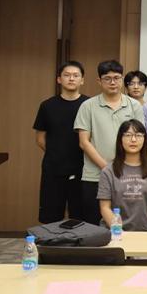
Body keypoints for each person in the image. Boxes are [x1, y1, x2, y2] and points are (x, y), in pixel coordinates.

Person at [74, 60, 144, 225]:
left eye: (117, 78)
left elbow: (140, 139)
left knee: (125, 223)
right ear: (99, 81)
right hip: (94, 176)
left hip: (127, 175)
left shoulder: (134, 105)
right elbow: (84, 142)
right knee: (93, 224)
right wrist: (107, 168)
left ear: (122, 79)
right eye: (107, 78)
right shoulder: (88, 106)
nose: (113, 82)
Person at [33, 61, 89, 223]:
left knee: (81, 217)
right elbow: (40, 139)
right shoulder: (47, 106)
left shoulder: (89, 105)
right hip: (53, 169)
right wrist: (57, 153)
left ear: (82, 80)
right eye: (67, 75)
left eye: (76, 75)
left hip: (83, 169)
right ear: (59, 79)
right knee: (51, 216)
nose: (71, 79)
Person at [97, 119, 147, 232]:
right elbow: (105, 208)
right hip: (116, 233)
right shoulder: (108, 171)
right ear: (120, 139)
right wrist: (119, 232)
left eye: (138, 135)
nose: (133, 139)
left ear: (144, 139)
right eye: (128, 135)